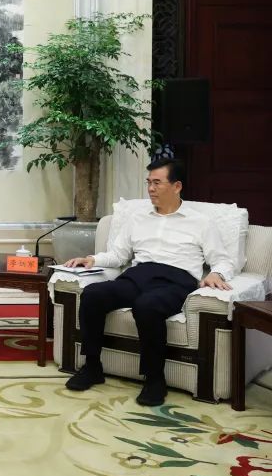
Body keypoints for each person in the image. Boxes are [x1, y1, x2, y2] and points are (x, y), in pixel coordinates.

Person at [63, 158, 233, 406]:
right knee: (93, 294)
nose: (151, 189)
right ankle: (92, 366)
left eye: (157, 183)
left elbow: (222, 260)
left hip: (176, 280)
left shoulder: (201, 223)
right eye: (148, 182)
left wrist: (217, 273)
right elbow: (119, 255)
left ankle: (154, 379)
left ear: (177, 186)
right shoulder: (137, 218)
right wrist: (91, 259)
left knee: (147, 306)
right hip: (138, 275)